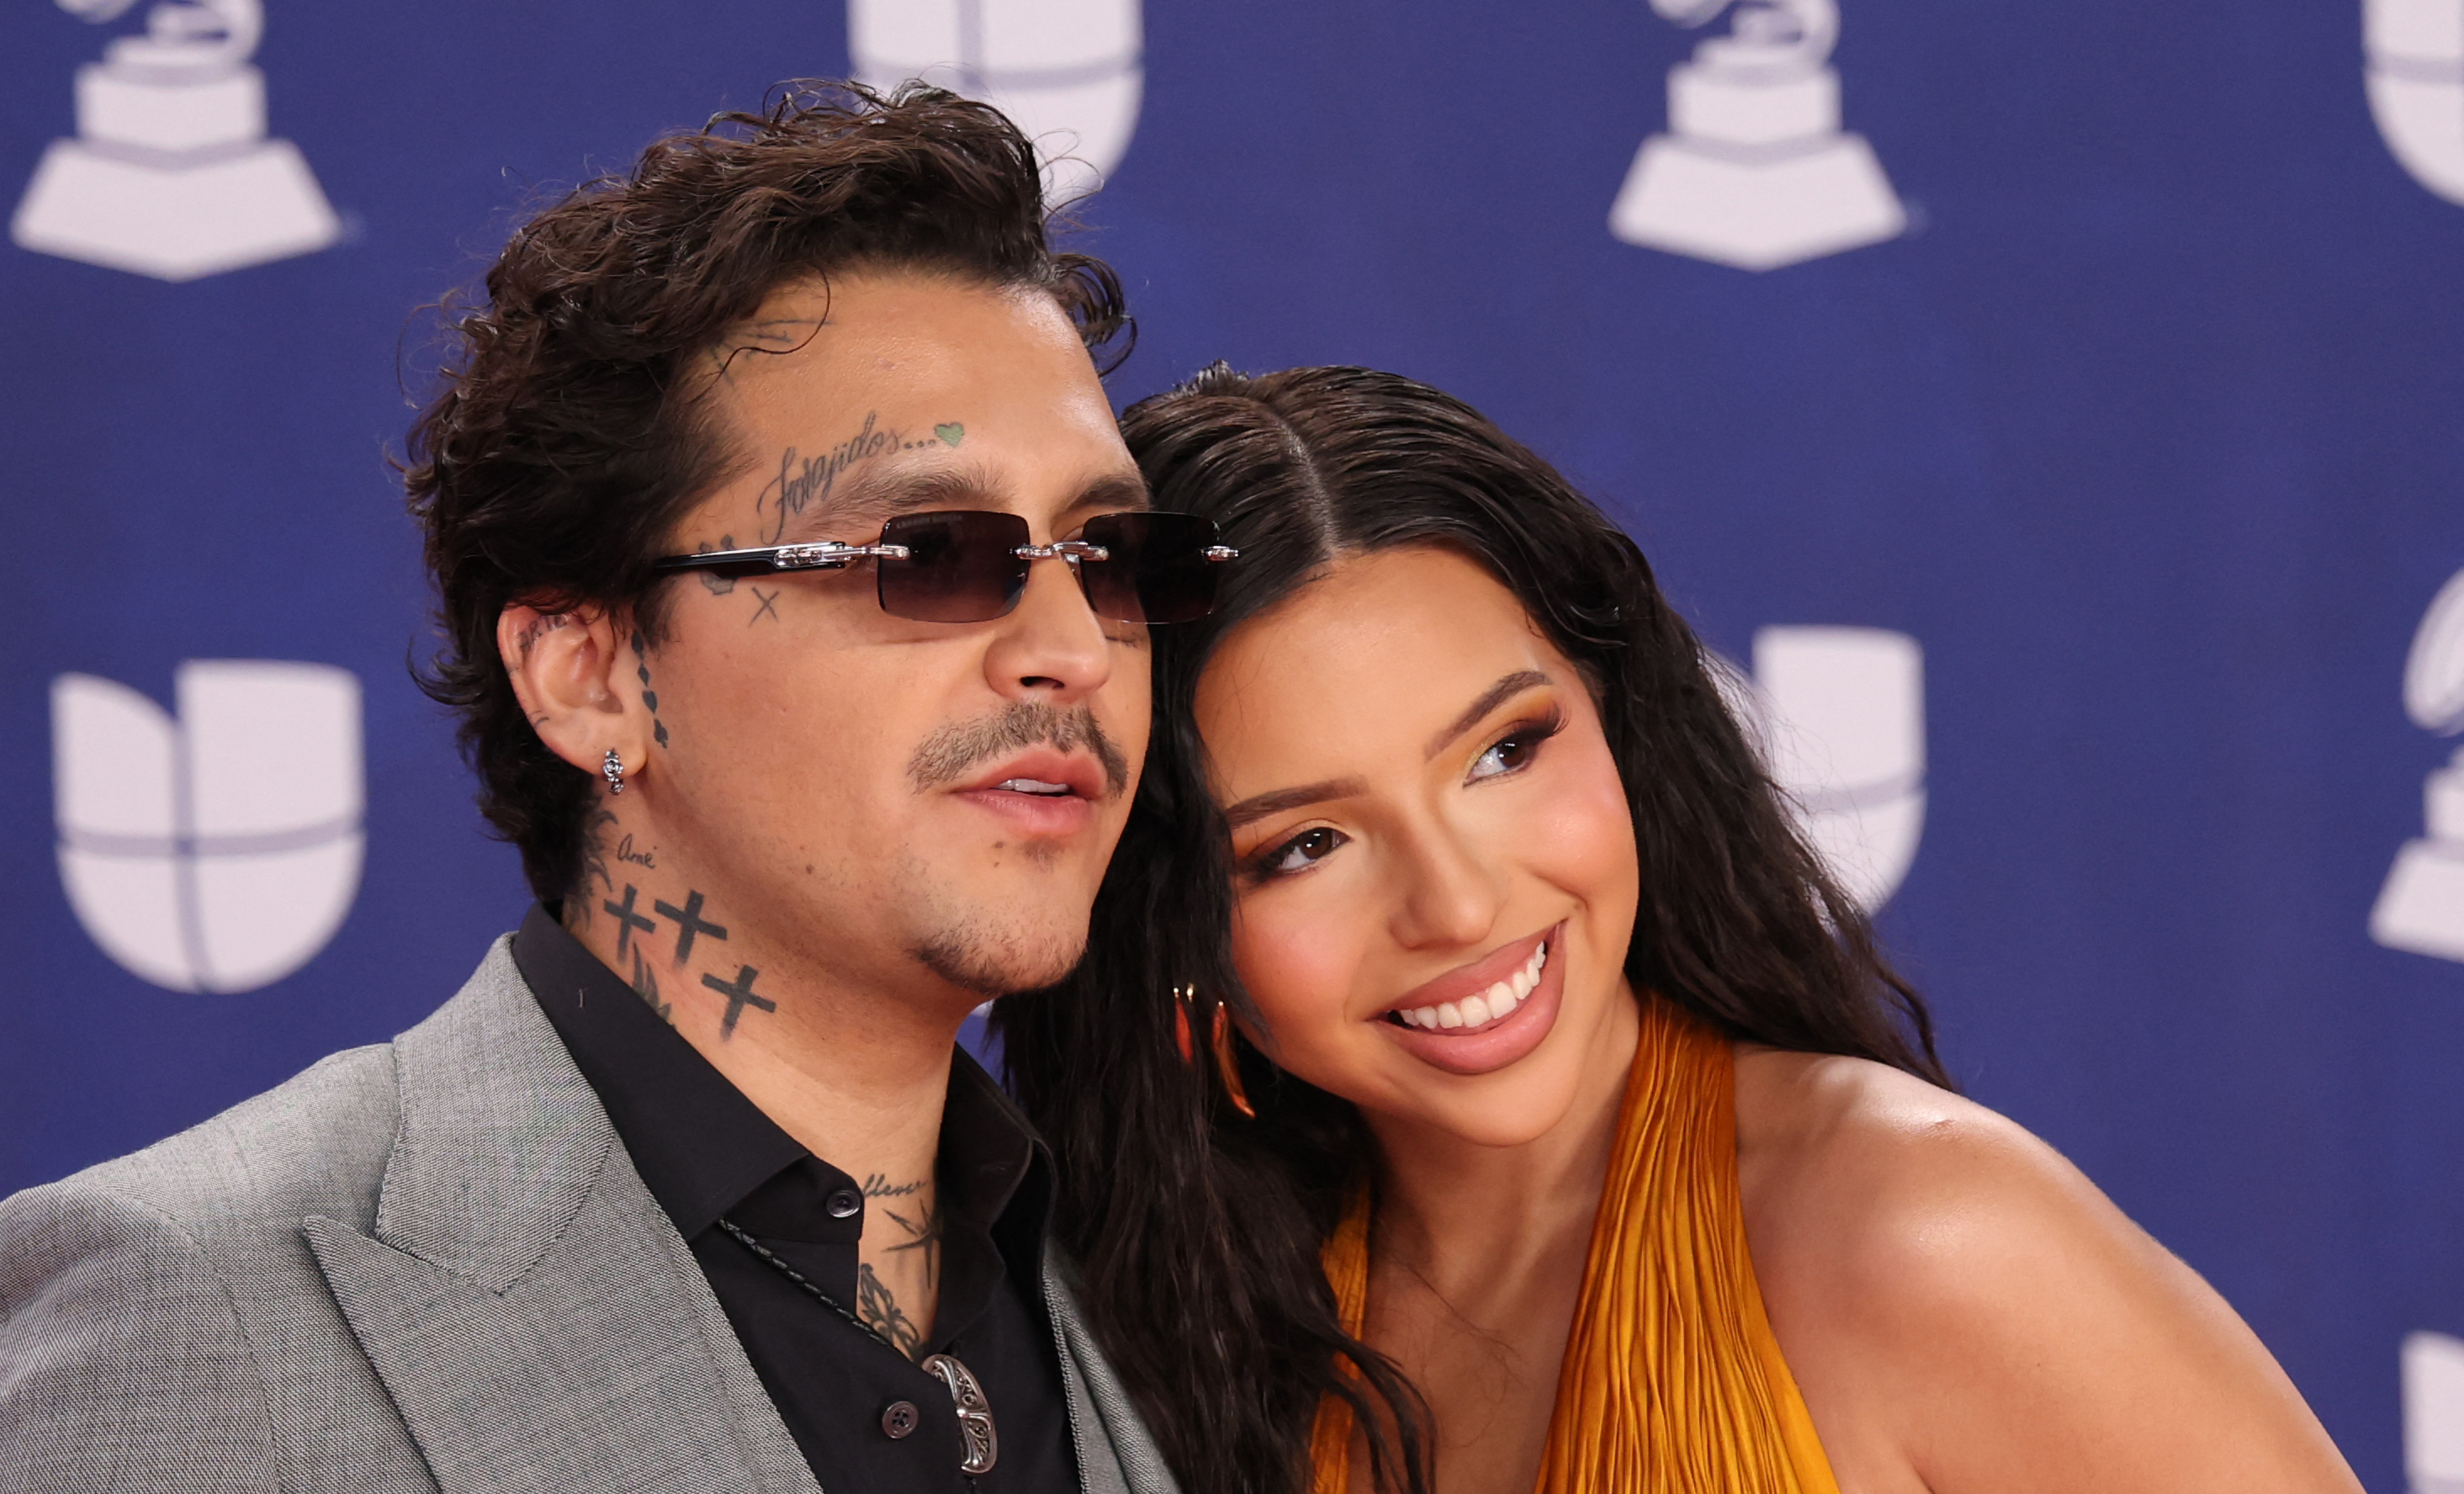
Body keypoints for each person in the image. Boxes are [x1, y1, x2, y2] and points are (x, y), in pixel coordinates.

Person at [0, 85, 1215, 1494]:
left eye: (1110, 556)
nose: (1071, 650)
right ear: (588, 673)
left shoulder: (1156, 1303)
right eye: (929, 552)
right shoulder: (198, 1311)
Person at [997, 363, 2364, 1494]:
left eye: (1502, 754)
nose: (1458, 905)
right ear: (1160, 918)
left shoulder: (1918, 1239)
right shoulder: (1169, 1330)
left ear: (1619, 719)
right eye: (1303, 847)